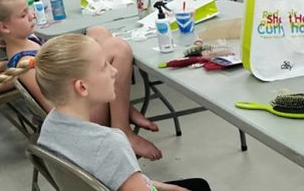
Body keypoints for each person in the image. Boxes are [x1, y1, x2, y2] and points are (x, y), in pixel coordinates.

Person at [0, 0, 163, 160]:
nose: (32, 15)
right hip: (81, 118)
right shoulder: (24, 63)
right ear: (4, 27)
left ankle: (123, 109)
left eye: (28, 9)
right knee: (118, 48)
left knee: (97, 31)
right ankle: (122, 128)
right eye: (22, 15)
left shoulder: (30, 40)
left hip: (82, 99)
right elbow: (55, 108)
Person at [35, 34, 212, 191]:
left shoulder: (50, 126)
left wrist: (155, 185)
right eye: (104, 67)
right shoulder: (110, 143)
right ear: (82, 86)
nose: (114, 70)